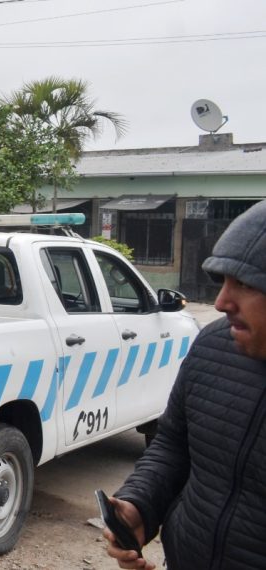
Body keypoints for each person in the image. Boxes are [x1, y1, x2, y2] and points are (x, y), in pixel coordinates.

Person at [103, 200, 266, 570]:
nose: (222, 301)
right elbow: (174, 444)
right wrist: (140, 504)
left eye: (244, 283)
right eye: (222, 281)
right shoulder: (212, 347)